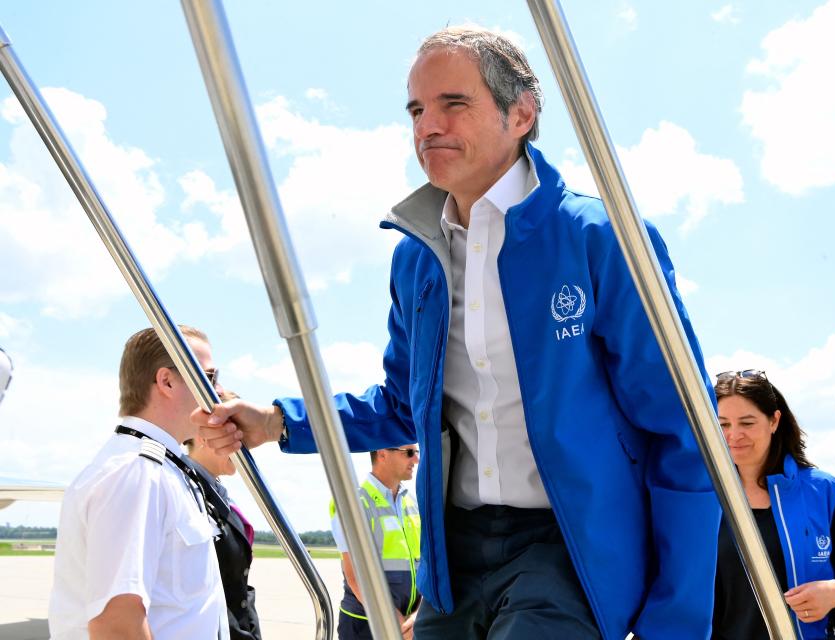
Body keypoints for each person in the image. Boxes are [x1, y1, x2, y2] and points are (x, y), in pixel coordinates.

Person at [196, 26, 719, 640]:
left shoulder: (601, 240)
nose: (426, 126)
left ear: (521, 112)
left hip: (569, 552)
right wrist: (278, 421)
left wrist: (674, 624)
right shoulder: (417, 258)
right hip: (454, 556)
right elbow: (401, 405)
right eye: (417, 109)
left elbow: (685, 431)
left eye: (453, 104)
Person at [49, 326, 229, 640]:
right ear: (167, 381)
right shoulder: (136, 473)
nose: (218, 391)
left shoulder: (161, 470)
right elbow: (117, 625)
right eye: (210, 377)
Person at [712, 369, 835, 639]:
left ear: (774, 421)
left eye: (747, 423)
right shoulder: (697, 496)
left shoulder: (824, 491)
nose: (734, 435)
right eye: (723, 424)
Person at [184, 390, 261, 640]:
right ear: (204, 435)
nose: (244, 447)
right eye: (235, 435)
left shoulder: (218, 494)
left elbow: (238, 588)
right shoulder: (186, 495)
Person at [330, 445, 421, 640]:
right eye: (409, 453)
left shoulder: (412, 502)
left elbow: (426, 566)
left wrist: (418, 616)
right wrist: (396, 623)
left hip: (410, 626)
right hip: (365, 627)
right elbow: (355, 577)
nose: (416, 460)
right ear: (382, 454)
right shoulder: (354, 502)